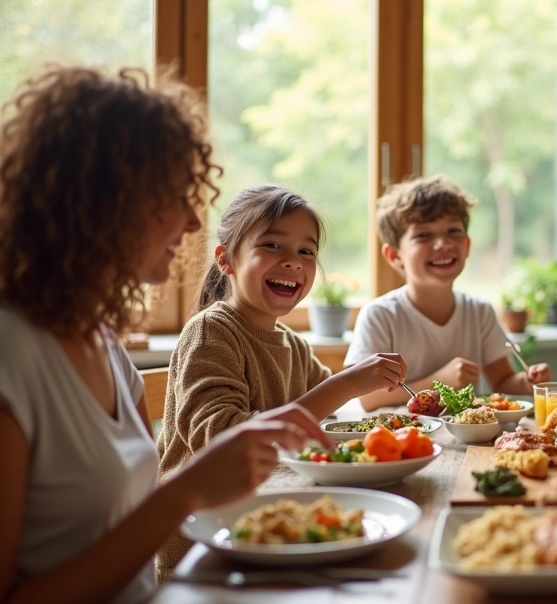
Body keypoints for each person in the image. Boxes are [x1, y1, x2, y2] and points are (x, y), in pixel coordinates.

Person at [0, 66, 330, 603]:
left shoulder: (103, 346)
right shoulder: (13, 354)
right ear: (97, 201)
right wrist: (188, 490)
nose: (193, 223)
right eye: (172, 197)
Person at [155, 184, 408, 579]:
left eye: (307, 251)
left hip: (273, 524)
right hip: (205, 542)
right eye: (273, 245)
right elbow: (221, 439)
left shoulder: (292, 343)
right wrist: (346, 383)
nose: (293, 262)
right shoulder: (211, 333)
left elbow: (328, 417)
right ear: (226, 260)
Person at [350, 175, 551, 412]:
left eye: (453, 231)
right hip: (405, 441)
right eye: (423, 235)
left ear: (466, 246)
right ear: (395, 256)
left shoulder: (480, 312)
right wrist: (439, 382)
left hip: (469, 442)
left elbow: (503, 381)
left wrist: (528, 382)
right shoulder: (380, 315)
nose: (443, 244)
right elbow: (368, 398)